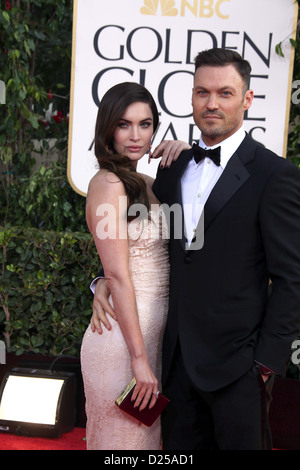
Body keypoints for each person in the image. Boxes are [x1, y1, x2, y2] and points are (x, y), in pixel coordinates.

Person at [90, 48, 300, 450]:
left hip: (239, 368)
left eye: (225, 93)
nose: (212, 103)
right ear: (191, 98)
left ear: (247, 99)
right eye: (202, 92)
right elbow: (145, 245)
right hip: (174, 363)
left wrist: (265, 364)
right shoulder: (172, 171)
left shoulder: (275, 176)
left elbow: (292, 277)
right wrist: (101, 280)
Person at [80, 81, 189, 450]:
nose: (135, 135)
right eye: (124, 124)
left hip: (150, 338)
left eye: (145, 124)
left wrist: (187, 152)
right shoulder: (109, 183)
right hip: (123, 346)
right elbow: (119, 274)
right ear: (108, 128)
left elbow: (180, 245)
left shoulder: (146, 182)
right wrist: (139, 360)